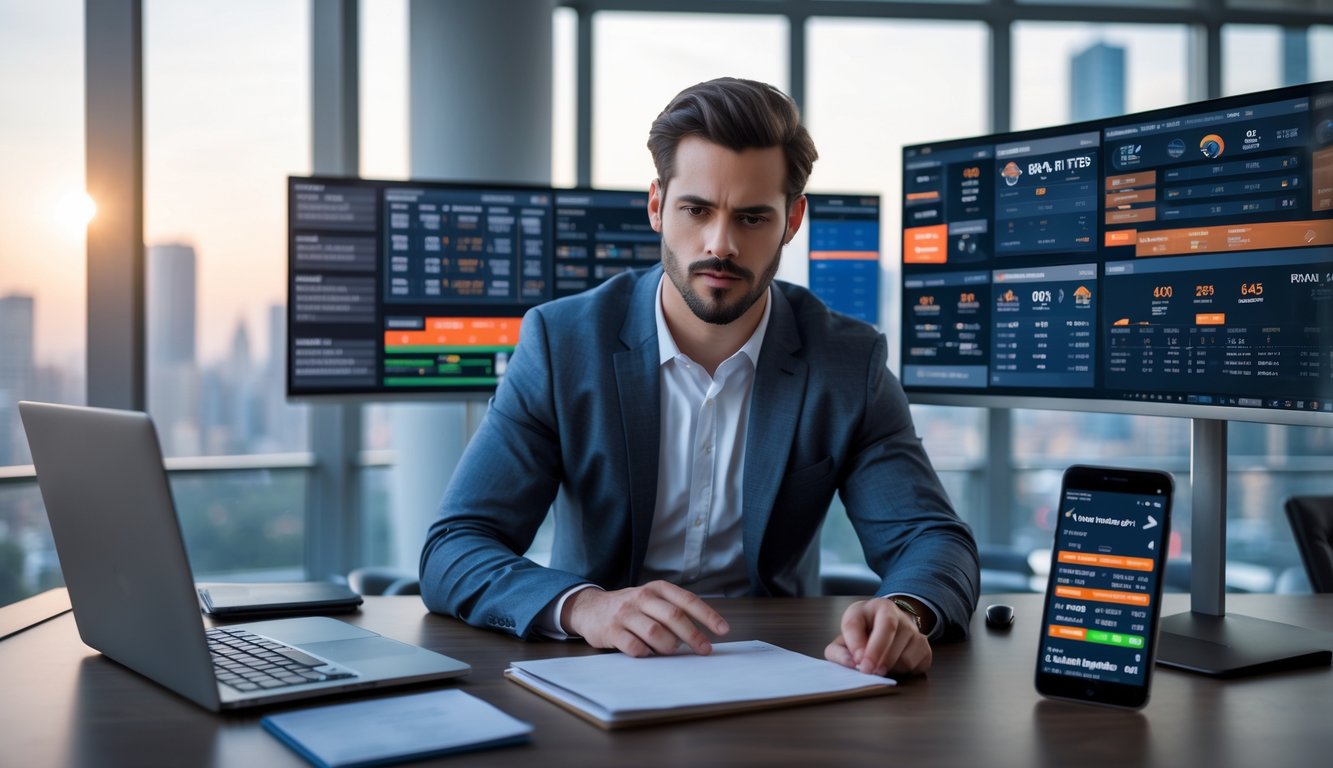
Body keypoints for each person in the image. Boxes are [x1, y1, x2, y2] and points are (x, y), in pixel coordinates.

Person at [420, 77, 978, 677]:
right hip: (599, 661)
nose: (721, 244)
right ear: (658, 206)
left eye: (752, 218)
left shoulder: (847, 361)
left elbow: (932, 539)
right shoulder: (563, 344)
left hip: (780, 669)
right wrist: (585, 607)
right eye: (697, 210)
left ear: (792, 220)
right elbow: (455, 546)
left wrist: (905, 613)